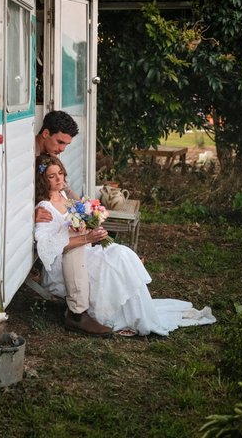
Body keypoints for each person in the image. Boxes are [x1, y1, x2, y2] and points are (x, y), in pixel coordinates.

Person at [34, 155, 217, 337]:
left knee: (122, 254)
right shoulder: (45, 208)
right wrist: (88, 237)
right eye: (52, 176)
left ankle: (135, 310)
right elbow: (47, 246)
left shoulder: (64, 195)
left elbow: (81, 211)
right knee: (113, 263)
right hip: (64, 264)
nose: (59, 178)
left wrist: (92, 223)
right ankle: (87, 315)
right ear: (43, 180)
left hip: (83, 252)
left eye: (60, 173)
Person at [34, 111, 112, 337]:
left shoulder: (49, 155)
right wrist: (30, 212)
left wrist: (86, 210)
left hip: (60, 224)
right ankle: (78, 314)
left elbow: (63, 190)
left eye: (66, 145)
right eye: (60, 142)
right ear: (46, 133)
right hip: (51, 236)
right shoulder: (29, 154)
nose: (62, 149)